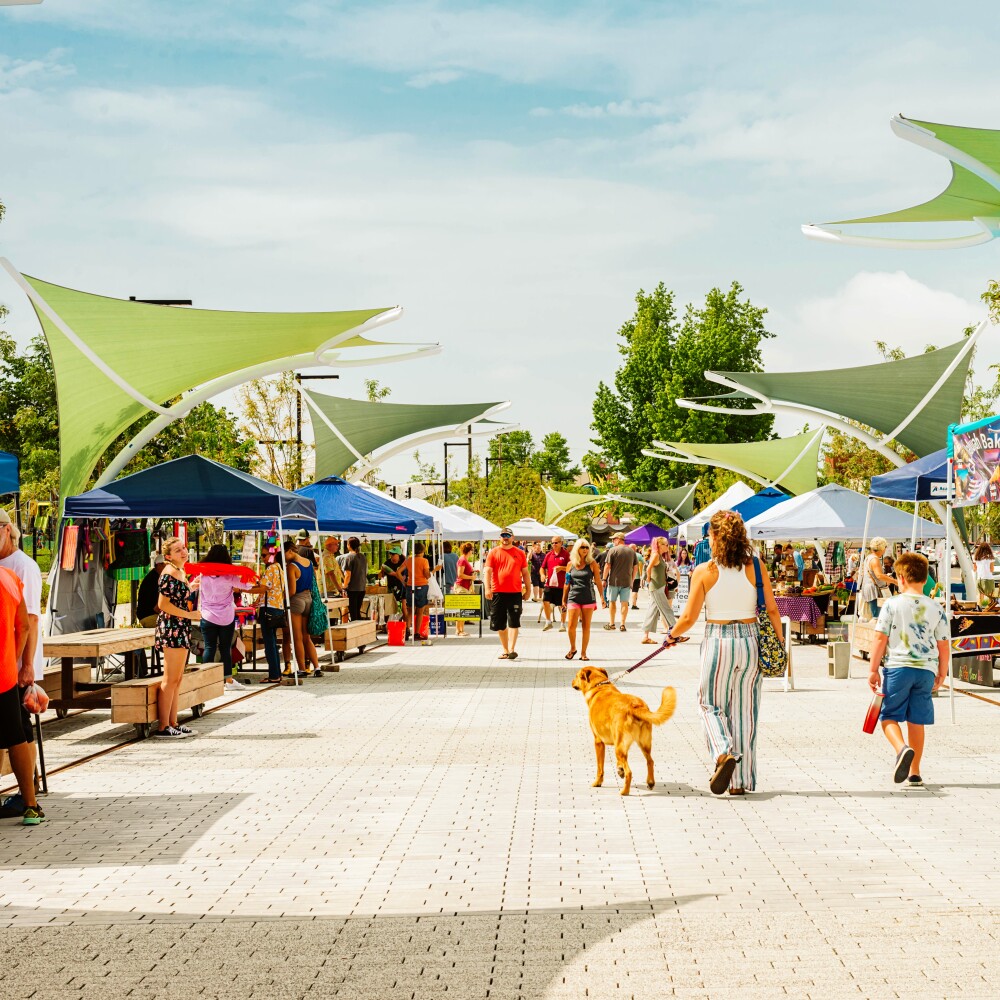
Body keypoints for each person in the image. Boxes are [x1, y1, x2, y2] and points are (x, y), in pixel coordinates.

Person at [667, 510, 782, 796]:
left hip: (718, 639)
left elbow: (689, 617)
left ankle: (722, 752)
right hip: (751, 640)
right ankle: (739, 782)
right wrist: (780, 645)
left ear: (716, 537)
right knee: (745, 712)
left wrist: (671, 636)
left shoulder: (705, 571)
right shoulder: (756, 566)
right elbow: (772, 609)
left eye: (709, 535)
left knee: (709, 704)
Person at [867, 552, 949, 787]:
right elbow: (943, 644)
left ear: (900, 578)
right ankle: (915, 772)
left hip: (898, 668)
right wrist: (942, 672)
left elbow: (880, 638)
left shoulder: (892, 604)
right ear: (925, 579)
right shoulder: (936, 607)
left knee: (888, 716)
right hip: (926, 671)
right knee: (917, 720)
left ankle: (901, 748)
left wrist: (873, 669)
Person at [0, 564, 41, 825]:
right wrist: (11, 659)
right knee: (16, 738)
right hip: (5, 675)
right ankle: (31, 806)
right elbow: (24, 626)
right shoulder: (9, 577)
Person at [0, 513, 45, 748]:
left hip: (16, 663)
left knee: (20, 725)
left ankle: (30, 773)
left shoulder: (23, 566)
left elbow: (31, 620)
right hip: (5, 660)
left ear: (7, 530)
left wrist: (26, 665)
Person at [197, 544, 265, 692]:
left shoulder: (202, 574)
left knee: (209, 647)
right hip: (225, 617)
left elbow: (193, 588)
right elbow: (247, 586)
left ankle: (205, 681)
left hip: (207, 616)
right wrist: (259, 582)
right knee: (225, 648)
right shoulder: (229, 576)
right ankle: (228, 680)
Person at [154, 537, 202, 738]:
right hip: (172, 627)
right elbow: (163, 605)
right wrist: (190, 615)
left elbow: (177, 597)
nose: (183, 552)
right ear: (168, 556)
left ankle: (173, 722)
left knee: (177, 678)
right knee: (170, 678)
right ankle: (163, 726)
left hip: (180, 627)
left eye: (183, 548)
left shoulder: (179, 572)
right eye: (177, 550)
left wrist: (191, 587)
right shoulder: (169, 573)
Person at [483, 528, 530, 660]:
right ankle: (505, 649)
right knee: (500, 624)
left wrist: (528, 590)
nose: (505, 538)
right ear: (500, 537)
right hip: (498, 592)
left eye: (508, 535)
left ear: (512, 538)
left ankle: (512, 649)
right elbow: (487, 572)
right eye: (503, 535)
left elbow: (525, 573)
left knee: (514, 622)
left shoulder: (520, 553)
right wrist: (487, 588)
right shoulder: (493, 552)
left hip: (515, 592)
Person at [562, 538, 607, 661]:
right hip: (573, 597)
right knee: (571, 626)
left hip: (588, 598)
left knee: (586, 627)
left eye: (587, 547)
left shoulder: (592, 564)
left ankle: (583, 653)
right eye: (582, 547)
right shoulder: (570, 564)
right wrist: (563, 599)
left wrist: (602, 597)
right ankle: (573, 648)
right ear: (577, 549)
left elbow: (598, 581)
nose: (585, 549)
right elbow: (566, 583)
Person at [285, 538, 320, 676]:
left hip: (297, 601)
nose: (283, 558)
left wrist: (282, 599)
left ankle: (301, 669)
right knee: (307, 637)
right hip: (309, 599)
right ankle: (316, 667)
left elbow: (292, 590)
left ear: (290, 551)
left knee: (297, 637)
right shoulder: (309, 563)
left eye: (284, 554)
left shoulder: (292, 566)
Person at [256, 551, 287, 683]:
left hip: (268, 609)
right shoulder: (280, 568)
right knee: (273, 642)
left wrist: (241, 589)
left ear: (272, 555)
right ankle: (277, 673)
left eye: (264, 555)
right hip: (277, 607)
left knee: (269, 643)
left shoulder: (271, 568)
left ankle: (274, 675)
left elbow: (262, 588)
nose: (262, 558)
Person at [642, 536, 677, 644]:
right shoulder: (656, 555)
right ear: (659, 545)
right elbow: (649, 568)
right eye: (666, 545)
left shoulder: (659, 555)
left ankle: (645, 636)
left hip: (659, 586)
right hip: (656, 587)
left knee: (652, 611)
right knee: (667, 609)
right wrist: (649, 579)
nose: (668, 546)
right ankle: (676, 633)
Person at [602, 532, 637, 631]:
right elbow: (635, 568)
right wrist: (632, 580)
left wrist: (604, 579)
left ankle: (612, 624)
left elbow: (607, 566)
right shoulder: (631, 551)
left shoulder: (612, 550)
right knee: (624, 603)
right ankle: (622, 624)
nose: (613, 541)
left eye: (613, 539)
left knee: (612, 602)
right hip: (626, 581)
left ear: (618, 539)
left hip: (614, 581)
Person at [858, 537, 895, 621]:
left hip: (869, 588)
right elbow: (879, 576)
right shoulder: (875, 559)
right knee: (877, 618)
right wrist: (894, 581)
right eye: (885, 547)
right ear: (882, 548)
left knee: (875, 616)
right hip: (873, 590)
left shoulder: (869, 557)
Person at [399, 541, 431, 638]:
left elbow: (398, 572)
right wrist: (433, 571)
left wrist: (404, 582)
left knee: (410, 610)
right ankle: (417, 633)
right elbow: (427, 575)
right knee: (420, 611)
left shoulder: (409, 560)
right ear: (423, 551)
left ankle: (407, 630)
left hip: (410, 586)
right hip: (422, 586)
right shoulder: (424, 561)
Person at [540, 536, 570, 633]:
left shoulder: (566, 554)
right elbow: (542, 567)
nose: (554, 544)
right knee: (545, 601)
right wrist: (542, 575)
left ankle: (563, 624)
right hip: (549, 584)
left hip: (562, 584)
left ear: (561, 543)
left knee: (562, 604)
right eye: (552, 543)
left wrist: (561, 568)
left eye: (556, 542)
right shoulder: (549, 554)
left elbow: (571, 568)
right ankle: (548, 622)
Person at [341, 536, 369, 623]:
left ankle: (355, 629)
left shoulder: (349, 557)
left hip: (352, 589)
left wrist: (344, 587)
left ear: (349, 545)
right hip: (362, 587)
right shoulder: (363, 557)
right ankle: (359, 629)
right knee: (357, 612)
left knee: (353, 613)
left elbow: (348, 574)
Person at [137, 552, 167, 627]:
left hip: (146, 615)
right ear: (159, 565)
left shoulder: (154, 576)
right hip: (149, 616)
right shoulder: (156, 580)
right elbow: (158, 607)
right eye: (166, 565)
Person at [453, 542, 476, 637]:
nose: (472, 552)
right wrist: (471, 577)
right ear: (469, 551)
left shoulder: (464, 559)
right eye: (472, 550)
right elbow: (460, 574)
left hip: (464, 587)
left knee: (462, 609)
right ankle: (459, 630)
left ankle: (460, 630)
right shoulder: (462, 560)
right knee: (461, 609)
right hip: (461, 587)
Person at [630, 544, 645, 609]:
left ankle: (625, 602)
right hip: (636, 576)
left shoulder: (625, 554)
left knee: (625, 590)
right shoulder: (638, 555)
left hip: (626, 576)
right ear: (635, 548)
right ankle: (634, 605)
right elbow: (645, 562)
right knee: (635, 590)